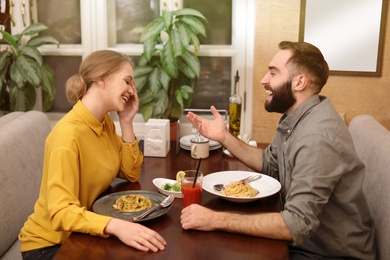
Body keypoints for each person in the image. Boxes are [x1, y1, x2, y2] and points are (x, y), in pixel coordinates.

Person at [180, 41, 375, 259]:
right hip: (311, 245)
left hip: (329, 254)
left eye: (273, 73)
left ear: (299, 82)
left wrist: (214, 219)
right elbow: (271, 164)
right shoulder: (299, 117)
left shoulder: (316, 138)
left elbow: (296, 224)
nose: (264, 80)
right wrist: (224, 137)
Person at [19, 50, 167, 259]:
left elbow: (130, 173)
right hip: (50, 246)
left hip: (84, 231)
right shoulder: (67, 136)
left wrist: (126, 122)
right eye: (127, 81)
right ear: (102, 79)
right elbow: (61, 212)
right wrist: (116, 226)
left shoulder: (103, 121)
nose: (132, 91)